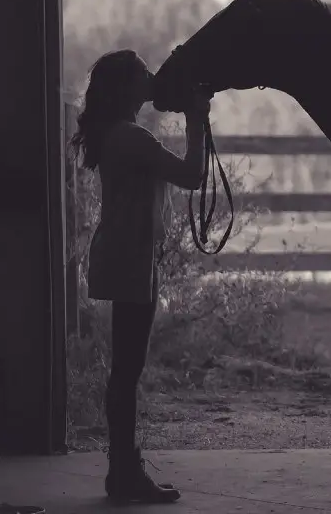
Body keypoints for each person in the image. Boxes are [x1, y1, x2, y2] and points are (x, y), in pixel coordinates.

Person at [69, 49, 210, 504]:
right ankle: (125, 473)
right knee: (128, 370)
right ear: (129, 86)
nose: (151, 79)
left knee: (125, 369)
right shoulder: (132, 137)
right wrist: (196, 119)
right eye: (144, 75)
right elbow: (192, 176)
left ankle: (123, 470)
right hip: (130, 258)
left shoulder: (118, 134)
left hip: (127, 254)